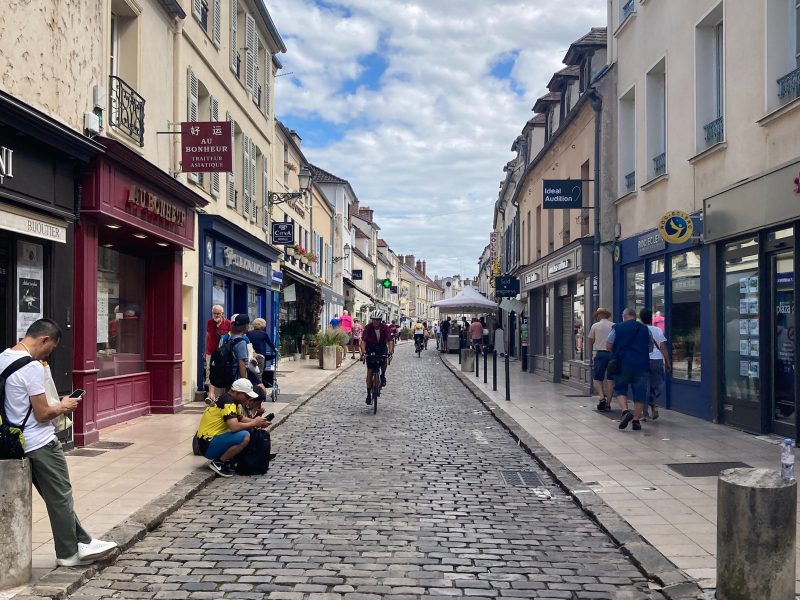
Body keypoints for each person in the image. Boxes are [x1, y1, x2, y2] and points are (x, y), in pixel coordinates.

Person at [2, 319, 117, 567]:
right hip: (40, 442)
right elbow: (43, 413)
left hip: (16, 442)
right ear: (44, 340)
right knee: (61, 496)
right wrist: (64, 406)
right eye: (51, 347)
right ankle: (68, 553)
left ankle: (83, 541)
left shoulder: (3, 358)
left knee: (56, 497)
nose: (50, 353)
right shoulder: (32, 367)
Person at [195, 378, 271, 477]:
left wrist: (258, 422)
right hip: (207, 444)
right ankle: (218, 462)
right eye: (246, 396)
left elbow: (240, 418)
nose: (248, 399)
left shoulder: (233, 402)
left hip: (210, 440)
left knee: (247, 430)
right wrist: (254, 423)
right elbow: (234, 427)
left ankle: (227, 460)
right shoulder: (227, 402)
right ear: (237, 392)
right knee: (244, 436)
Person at [606, 308, 654, 431]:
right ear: (634, 316)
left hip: (623, 363)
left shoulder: (617, 328)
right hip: (641, 365)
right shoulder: (645, 329)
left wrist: (619, 351)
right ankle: (636, 421)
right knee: (640, 392)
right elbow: (650, 348)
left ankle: (625, 411)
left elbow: (609, 345)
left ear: (624, 316)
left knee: (620, 388)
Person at [639, 308, 672, 420]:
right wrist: (667, 362)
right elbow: (663, 347)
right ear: (651, 318)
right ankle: (653, 403)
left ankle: (645, 413)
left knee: (645, 387)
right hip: (657, 360)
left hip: (643, 360)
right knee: (656, 385)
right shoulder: (657, 330)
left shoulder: (639, 330)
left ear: (641, 318)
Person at [360, 310, 394, 405]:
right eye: (374, 320)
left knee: (384, 361)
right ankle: (368, 394)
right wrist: (363, 352)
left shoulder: (385, 328)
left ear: (380, 320)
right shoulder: (368, 328)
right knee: (370, 372)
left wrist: (390, 352)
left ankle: (382, 375)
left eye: (377, 320)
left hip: (381, 347)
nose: (375, 322)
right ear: (372, 320)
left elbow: (390, 341)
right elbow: (363, 341)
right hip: (370, 348)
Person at [213, 314, 250, 399]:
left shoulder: (229, 339)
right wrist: (244, 381)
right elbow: (241, 363)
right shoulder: (241, 342)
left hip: (227, 375)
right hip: (236, 377)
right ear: (246, 326)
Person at [587, 308, 615, 412]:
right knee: (611, 379)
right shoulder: (614, 325)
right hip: (612, 354)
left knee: (597, 378)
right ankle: (608, 404)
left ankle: (602, 398)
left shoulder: (595, 326)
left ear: (599, 316)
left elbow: (591, 340)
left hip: (600, 353)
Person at [204, 305, 230, 393]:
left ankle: (222, 392)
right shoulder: (210, 322)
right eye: (214, 313)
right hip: (211, 351)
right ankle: (210, 394)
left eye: (218, 313)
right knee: (209, 371)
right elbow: (208, 335)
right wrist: (206, 349)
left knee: (222, 370)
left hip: (222, 353)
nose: (216, 315)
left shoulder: (228, 323)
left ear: (222, 313)